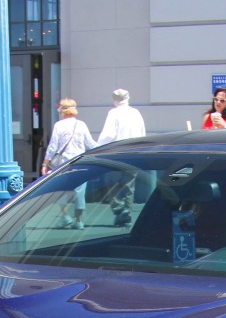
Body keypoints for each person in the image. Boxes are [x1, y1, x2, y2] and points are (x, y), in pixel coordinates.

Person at [40, 98, 96, 229]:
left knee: (60, 190)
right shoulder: (81, 124)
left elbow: (53, 147)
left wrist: (45, 163)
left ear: (62, 110)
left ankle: (65, 216)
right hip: (80, 162)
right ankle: (79, 221)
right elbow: (91, 144)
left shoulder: (59, 125)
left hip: (64, 163)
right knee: (80, 192)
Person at [98, 88, 147, 226]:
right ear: (128, 98)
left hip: (117, 155)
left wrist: (98, 148)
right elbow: (142, 133)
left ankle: (119, 210)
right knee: (129, 186)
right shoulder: (136, 113)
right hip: (135, 153)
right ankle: (127, 212)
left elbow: (108, 135)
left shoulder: (113, 113)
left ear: (114, 99)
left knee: (112, 185)